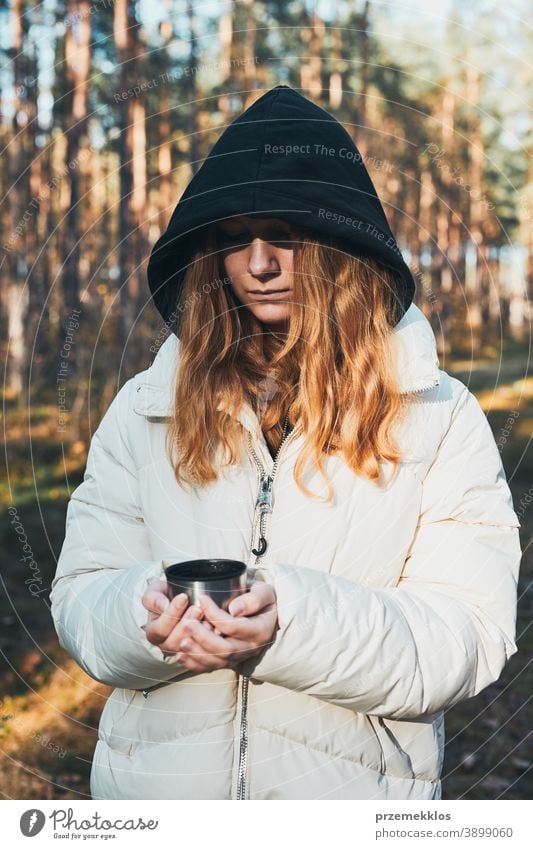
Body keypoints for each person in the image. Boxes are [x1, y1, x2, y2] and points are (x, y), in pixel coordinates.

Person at [50, 85, 522, 801]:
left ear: (343, 245)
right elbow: (81, 595)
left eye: (285, 234)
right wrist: (142, 616)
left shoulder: (435, 414)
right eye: (234, 236)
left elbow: (467, 632)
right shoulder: (149, 406)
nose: (259, 262)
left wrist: (288, 625)